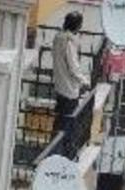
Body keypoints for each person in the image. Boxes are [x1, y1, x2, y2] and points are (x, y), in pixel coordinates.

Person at [52, 12, 90, 140]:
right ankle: (61, 152)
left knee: (59, 122)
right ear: (77, 25)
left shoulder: (58, 37)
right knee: (66, 125)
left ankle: (53, 151)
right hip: (69, 89)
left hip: (60, 86)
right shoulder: (68, 41)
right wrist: (85, 81)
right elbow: (73, 67)